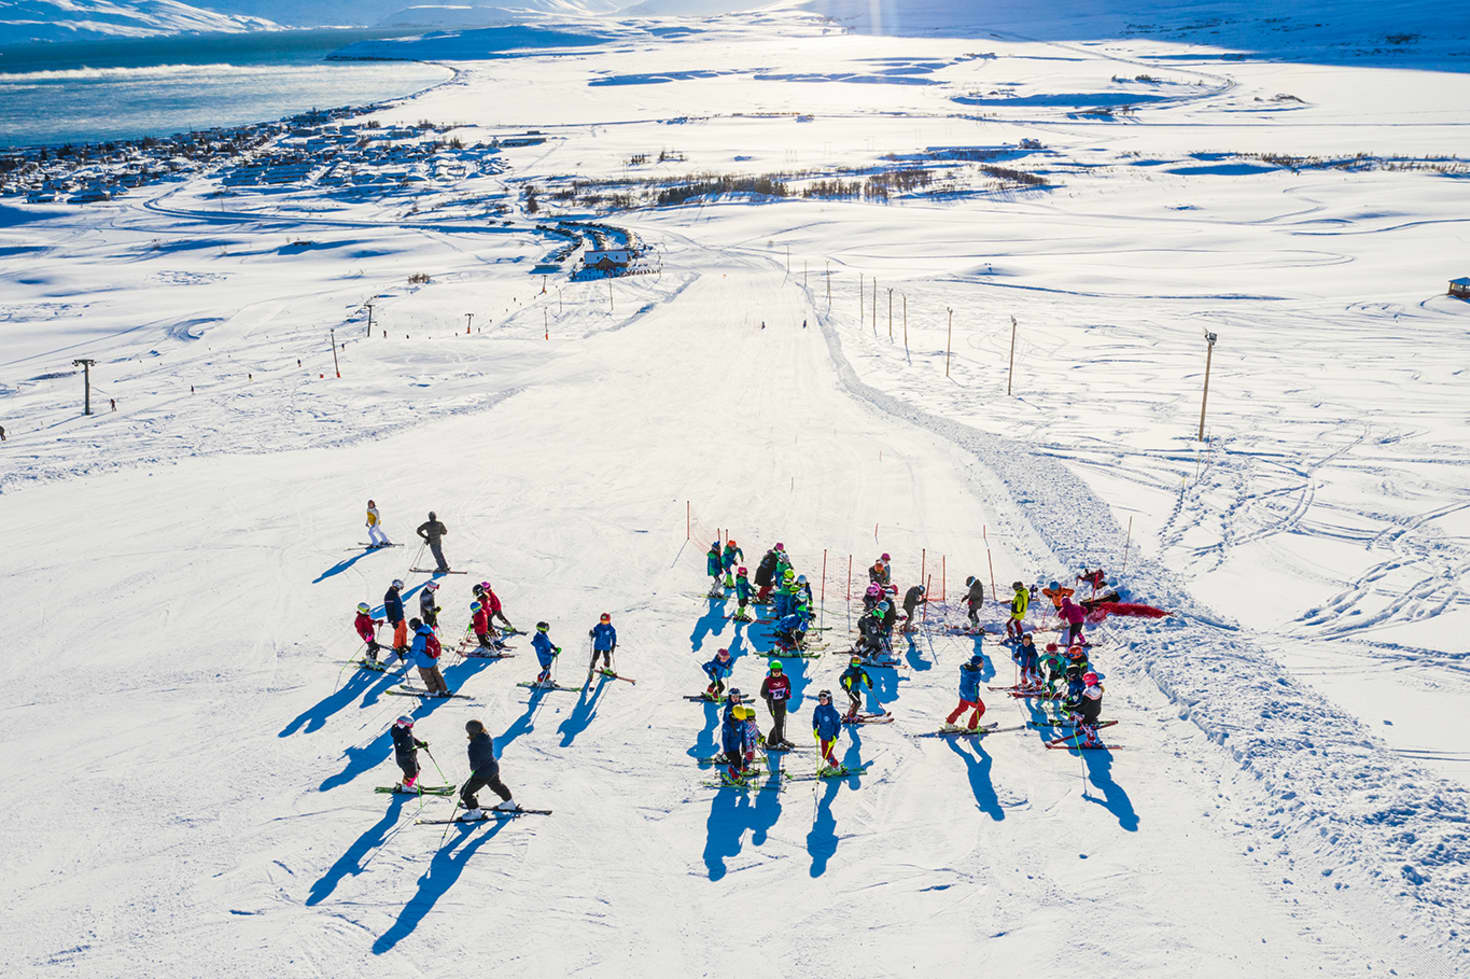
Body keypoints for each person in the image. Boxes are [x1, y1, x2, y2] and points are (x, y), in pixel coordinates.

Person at [461, 719, 517, 818]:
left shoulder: (473, 745)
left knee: (465, 792)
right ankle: (509, 803)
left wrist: (473, 770)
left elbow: (474, 764)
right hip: (493, 767)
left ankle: (475, 813)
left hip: (483, 772)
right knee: (496, 785)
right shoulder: (487, 738)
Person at [944, 653, 987, 731]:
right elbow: (971, 687)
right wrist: (975, 698)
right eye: (981, 664)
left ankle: (949, 724)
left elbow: (963, 667)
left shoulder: (966, 669)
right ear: (977, 665)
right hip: (970, 696)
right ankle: (972, 727)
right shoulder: (975, 674)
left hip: (963, 693)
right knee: (981, 708)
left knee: (962, 708)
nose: (982, 665)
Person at [409, 617, 449, 695]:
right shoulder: (429, 630)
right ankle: (444, 689)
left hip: (423, 662)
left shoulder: (418, 638)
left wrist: (403, 656)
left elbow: (413, 653)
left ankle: (434, 691)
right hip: (433, 658)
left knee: (428, 677)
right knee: (436, 674)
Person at [760, 660, 793, 749]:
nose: (776, 673)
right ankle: (772, 741)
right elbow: (762, 693)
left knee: (781, 722)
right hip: (773, 703)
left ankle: (780, 739)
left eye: (778, 671)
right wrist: (768, 696)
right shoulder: (768, 680)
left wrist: (787, 694)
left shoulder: (785, 678)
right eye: (774, 671)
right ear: (771, 671)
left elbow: (788, 687)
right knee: (777, 722)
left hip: (782, 702)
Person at [390, 715, 427, 790]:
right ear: (404, 724)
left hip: (410, 757)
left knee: (416, 770)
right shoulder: (398, 735)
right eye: (410, 724)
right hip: (404, 759)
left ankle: (407, 784)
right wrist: (410, 752)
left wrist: (420, 744)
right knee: (412, 773)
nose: (411, 726)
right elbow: (400, 750)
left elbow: (411, 738)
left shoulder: (405, 730)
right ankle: (406, 787)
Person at [811, 689, 843, 773]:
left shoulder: (833, 712)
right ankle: (832, 764)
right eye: (820, 699)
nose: (822, 701)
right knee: (825, 755)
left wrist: (835, 736)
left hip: (830, 737)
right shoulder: (818, 709)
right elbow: (815, 720)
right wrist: (815, 729)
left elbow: (838, 725)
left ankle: (836, 766)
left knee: (827, 754)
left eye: (824, 700)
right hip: (822, 735)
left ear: (829, 700)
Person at [1074, 672, 1104, 747]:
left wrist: (1072, 708)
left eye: (1085, 681)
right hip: (1094, 710)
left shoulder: (1090, 691)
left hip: (1090, 712)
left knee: (1085, 722)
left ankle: (1092, 741)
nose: (1084, 682)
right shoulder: (1097, 687)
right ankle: (1084, 727)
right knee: (1079, 715)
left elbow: (1083, 705)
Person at [839, 656, 872, 720]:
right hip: (850, 690)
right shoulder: (848, 671)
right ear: (851, 663)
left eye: (857, 663)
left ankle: (851, 713)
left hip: (857, 690)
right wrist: (844, 686)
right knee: (858, 703)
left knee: (856, 703)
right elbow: (841, 678)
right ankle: (852, 716)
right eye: (854, 663)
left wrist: (870, 683)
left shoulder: (861, 670)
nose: (856, 665)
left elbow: (867, 677)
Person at [720, 703, 747, 778]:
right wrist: (727, 751)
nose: (741, 720)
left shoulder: (741, 723)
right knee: (734, 763)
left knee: (739, 762)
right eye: (740, 718)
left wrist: (744, 745)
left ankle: (737, 774)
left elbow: (743, 734)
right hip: (730, 749)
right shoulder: (727, 726)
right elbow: (724, 739)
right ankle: (732, 776)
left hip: (736, 747)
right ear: (735, 716)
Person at [531, 621, 561, 686]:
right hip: (543, 658)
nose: (547, 629)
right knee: (546, 669)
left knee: (548, 670)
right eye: (546, 628)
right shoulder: (538, 640)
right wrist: (552, 654)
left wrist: (554, 647)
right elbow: (542, 653)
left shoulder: (543, 635)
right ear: (542, 629)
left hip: (548, 656)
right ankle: (540, 681)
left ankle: (545, 680)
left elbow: (548, 642)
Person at [587, 612, 617, 676]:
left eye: (606, 622)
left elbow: (614, 637)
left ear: (609, 621)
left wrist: (613, 645)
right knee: (595, 658)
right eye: (602, 622)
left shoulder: (611, 629)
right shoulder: (598, 627)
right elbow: (595, 634)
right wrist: (592, 634)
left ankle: (606, 668)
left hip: (606, 646)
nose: (604, 623)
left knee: (607, 658)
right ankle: (591, 669)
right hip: (598, 646)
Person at [384, 579, 408, 655]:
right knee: (398, 633)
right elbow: (389, 609)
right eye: (400, 588)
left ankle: (403, 644)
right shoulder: (389, 595)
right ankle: (397, 646)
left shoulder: (395, 593)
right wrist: (392, 620)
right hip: (396, 618)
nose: (400, 590)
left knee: (404, 630)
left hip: (400, 616)